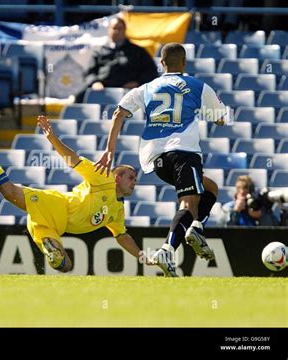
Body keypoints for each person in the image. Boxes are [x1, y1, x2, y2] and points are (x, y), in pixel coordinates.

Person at [0, 115, 153, 273]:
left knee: (65, 265)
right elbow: (73, 159)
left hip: (55, 226)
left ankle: (51, 248)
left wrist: (144, 257)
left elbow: (122, 237)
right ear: (117, 177)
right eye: (131, 177)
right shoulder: (103, 177)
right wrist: (52, 137)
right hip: (56, 205)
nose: (134, 182)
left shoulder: (117, 211)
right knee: (9, 192)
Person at [95, 43, 229, 277]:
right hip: (183, 152)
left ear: (162, 63)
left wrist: (109, 151)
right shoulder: (198, 86)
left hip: (155, 159)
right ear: (184, 62)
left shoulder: (147, 88)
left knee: (209, 188)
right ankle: (167, 250)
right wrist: (208, 112)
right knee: (188, 204)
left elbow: (118, 114)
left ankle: (195, 228)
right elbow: (220, 120)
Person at [74, 17, 158, 103]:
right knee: (79, 96)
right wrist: (95, 82)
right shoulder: (99, 51)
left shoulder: (137, 51)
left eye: (120, 28)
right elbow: (89, 72)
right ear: (109, 30)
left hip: (129, 92)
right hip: (102, 90)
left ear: (125, 31)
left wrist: (137, 82)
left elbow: (151, 72)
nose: (116, 31)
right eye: (114, 28)